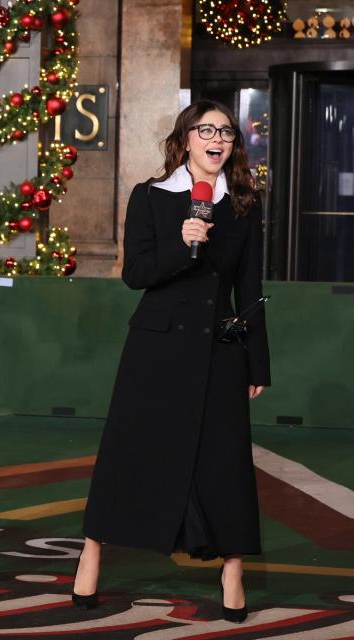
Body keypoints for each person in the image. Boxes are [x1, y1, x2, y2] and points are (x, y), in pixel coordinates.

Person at [72, 100, 271, 623]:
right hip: (155, 350)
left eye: (226, 132)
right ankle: (92, 550)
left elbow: (250, 290)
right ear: (185, 140)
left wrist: (257, 363)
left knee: (225, 463)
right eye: (206, 130)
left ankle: (232, 567)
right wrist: (181, 245)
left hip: (219, 353)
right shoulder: (150, 197)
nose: (217, 139)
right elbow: (134, 274)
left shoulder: (245, 205)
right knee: (128, 453)